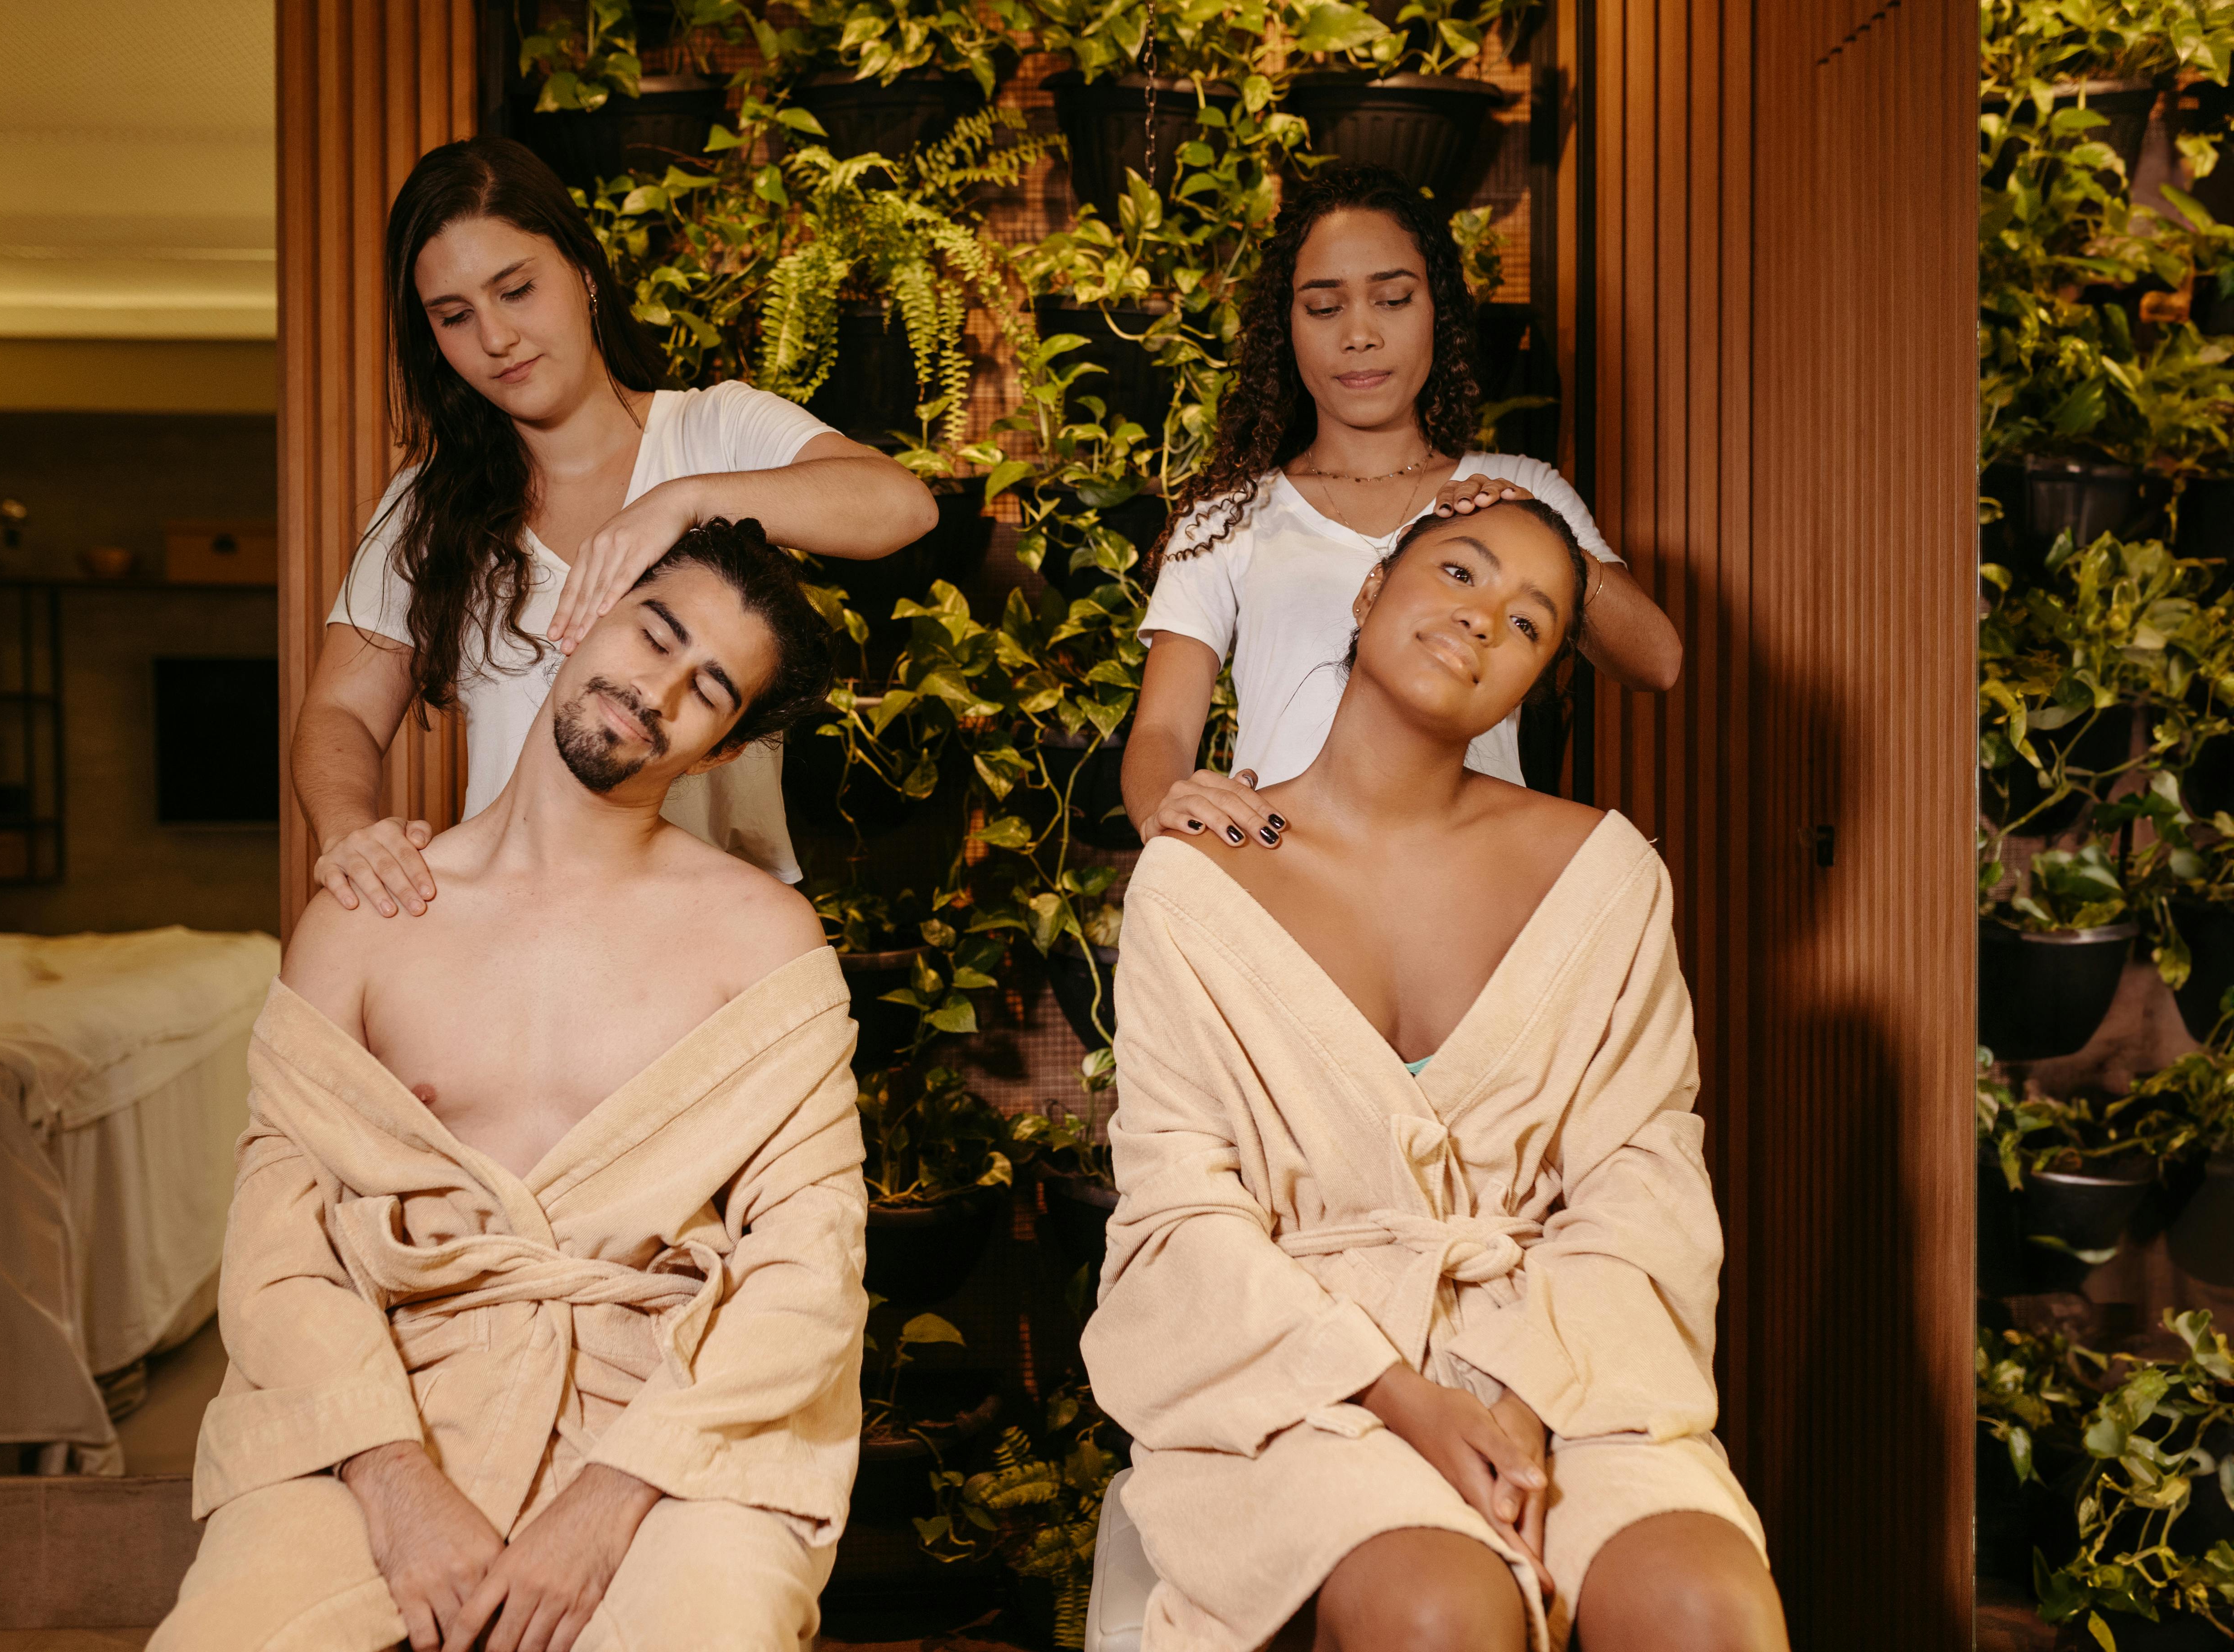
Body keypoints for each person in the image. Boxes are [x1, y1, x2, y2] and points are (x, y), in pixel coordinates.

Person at [1081, 496, 1783, 1652]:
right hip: (1303, 1384)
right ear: (1368, 594)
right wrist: (1398, 1395)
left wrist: (1526, 1397)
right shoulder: (1198, 884)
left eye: (1527, 623)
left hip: (1571, 1363)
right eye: (1458, 573)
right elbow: (1181, 1211)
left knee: (1706, 1607)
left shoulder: (1603, 875)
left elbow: (1643, 1179)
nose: (1480, 620)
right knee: (1438, 1611)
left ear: (1536, 683)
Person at [154, 519, 869, 1652]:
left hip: (670, 1416)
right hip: (389, 1396)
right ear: (586, 615)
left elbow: (806, 1264)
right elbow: (278, 1245)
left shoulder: (761, 941)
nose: (657, 690)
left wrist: (613, 1497)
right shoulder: (371, 915)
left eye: (709, 688)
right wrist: (392, 1480)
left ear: (722, 750)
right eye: (657, 632)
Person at [297, 134, 937, 917]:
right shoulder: (427, 507)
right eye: (455, 316)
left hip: (716, 935)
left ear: (585, 273)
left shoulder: (714, 430)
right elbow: (341, 712)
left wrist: (683, 500)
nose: (496, 339)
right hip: (507, 936)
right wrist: (350, 833)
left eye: (517, 290)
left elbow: (901, 505)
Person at [1121, 163, 1683, 853]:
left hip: (1479, 886)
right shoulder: (1227, 517)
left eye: (1392, 299)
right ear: (1286, 327)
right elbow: (1161, 734)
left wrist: (1546, 534)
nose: (1359, 334)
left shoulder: (1519, 487)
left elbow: (1656, 663)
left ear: (1437, 312)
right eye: (1325, 308)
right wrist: (1165, 813)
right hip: (1284, 879)